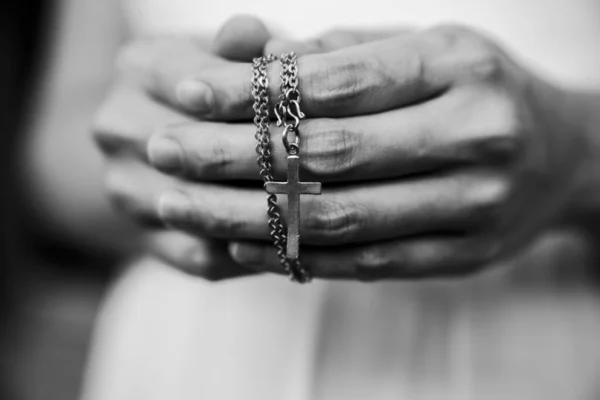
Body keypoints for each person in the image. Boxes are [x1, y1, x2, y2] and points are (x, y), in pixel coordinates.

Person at [23, 0, 600, 399]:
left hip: (541, 340)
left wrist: (578, 152)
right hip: (200, 352)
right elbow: (56, 164)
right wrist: (170, 150)